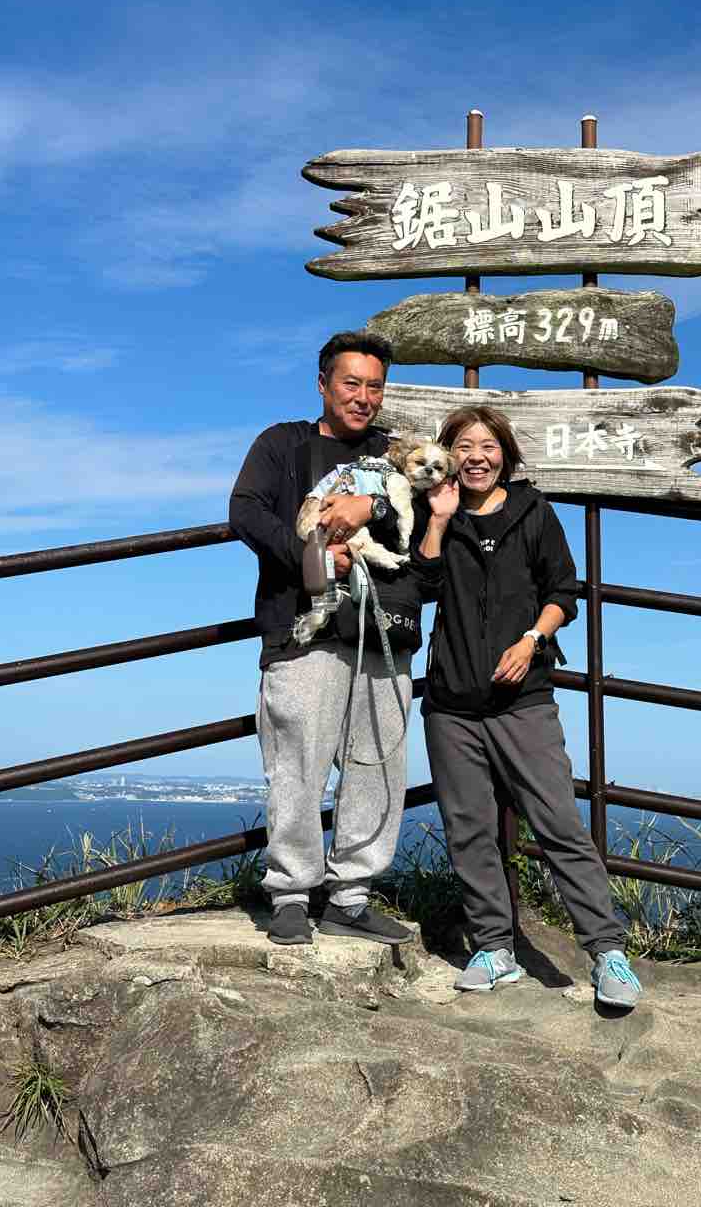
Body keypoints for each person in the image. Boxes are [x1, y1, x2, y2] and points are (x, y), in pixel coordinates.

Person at [414, 405, 642, 1008]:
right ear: (449, 456)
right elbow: (421, 586)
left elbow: (563, 591)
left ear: (505, 454)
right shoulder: (435, 512)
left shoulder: (533, 511)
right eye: (464, 447)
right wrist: (438, 520)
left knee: (559, 823)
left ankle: (607, 952)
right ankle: (494, 948)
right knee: (469, 830)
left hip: (524, 700)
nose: (476, 457)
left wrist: (532, 640)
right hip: (451, 705)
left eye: (488, 446)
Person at [229, 331, 414, 947]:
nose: (363, 397)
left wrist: (371, 508)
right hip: (301, 631)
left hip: (383, 631)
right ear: (323, 385)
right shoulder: (282, 443)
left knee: (377, 765)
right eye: (350, 383)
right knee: (296, 766)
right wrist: (310, 555)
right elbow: (246, 510)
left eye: (374, 386)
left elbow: (428, 505)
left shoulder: (393, 453)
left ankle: (351, 897)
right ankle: (290, 892)